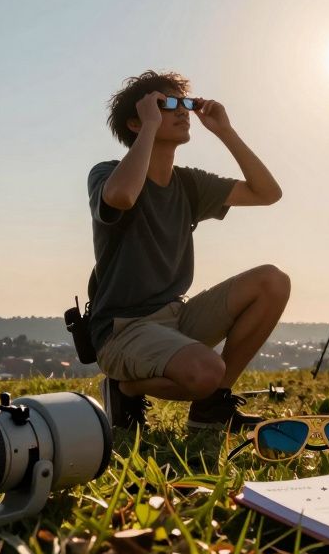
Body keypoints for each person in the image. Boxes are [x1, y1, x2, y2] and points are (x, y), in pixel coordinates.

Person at [88, 70, 289, 431]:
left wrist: (224, 131)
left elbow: (267, 193)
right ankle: (124, 388)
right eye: (166, 105)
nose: (182, 112)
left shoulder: (189, 183)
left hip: (176, 317)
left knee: (272, 282)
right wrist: (150, 127)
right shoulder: (108, 173)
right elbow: (122, 196)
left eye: (185, 104)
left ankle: (210, 409)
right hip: (122, 330)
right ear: (137, 121)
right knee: (208, 369)